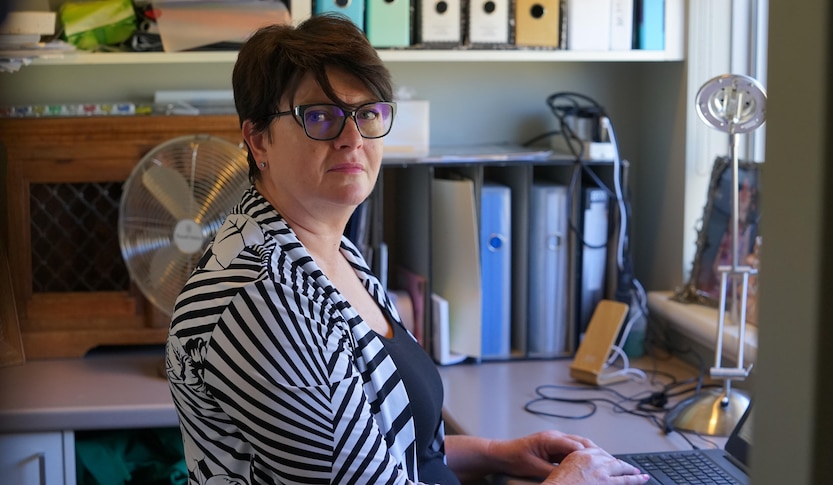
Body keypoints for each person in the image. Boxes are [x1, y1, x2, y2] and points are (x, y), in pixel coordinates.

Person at [165, 13, 651, 485]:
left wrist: (496, 453)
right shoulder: (261, 301)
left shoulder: (327, 253)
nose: (352, 138)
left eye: (368, 114)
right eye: (320, 116)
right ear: (258, 139)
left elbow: (385, 450)